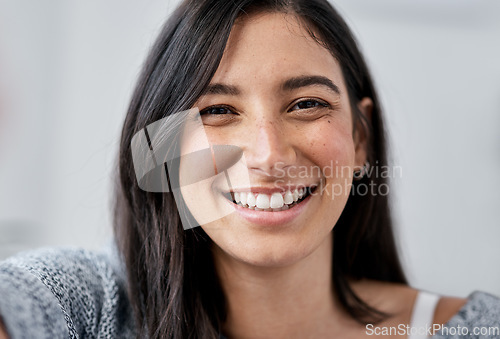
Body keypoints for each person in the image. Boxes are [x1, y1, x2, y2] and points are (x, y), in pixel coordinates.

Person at [1, 0, 499, 338]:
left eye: (305, 104)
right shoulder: (89, 307)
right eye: (217, 111)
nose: (268, 155)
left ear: (361, 137)